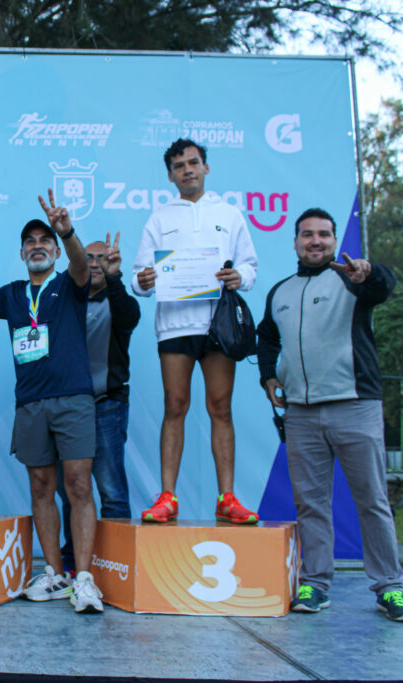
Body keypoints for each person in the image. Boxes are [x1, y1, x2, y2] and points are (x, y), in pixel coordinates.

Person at [256, 207, 403, 622]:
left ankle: (390, 588)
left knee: (372, 500)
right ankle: (315, 584)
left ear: (334, 241)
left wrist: (370, 272)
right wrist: (268, 376)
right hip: (301, 414)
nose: (315, 241)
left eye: (324, 234)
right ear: (295, 242)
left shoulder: (353, 280)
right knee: (310, 504)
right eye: (307, 234)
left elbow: (383, 285)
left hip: (355, 404)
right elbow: (267, 338)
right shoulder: (280, 292)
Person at [0, 190, 103, 614]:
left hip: (73, 399)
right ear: (21, 252)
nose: (37, 246)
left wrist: (67, 231)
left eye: (44, 240)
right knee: (40, 487)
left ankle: (84, 578)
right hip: (30, 403)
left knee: (79, 484)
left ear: (55, 249)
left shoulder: (69, 283)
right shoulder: (12, 294)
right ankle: (55, 574)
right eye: (30, 241)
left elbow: (82, 265)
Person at [130, 138, 259, 524]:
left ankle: (227, 498)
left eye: (193, 162)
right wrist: (144, 279)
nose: (187, 170)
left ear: (206, 167)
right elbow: (139, 279)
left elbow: (249, 266)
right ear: (170, 176)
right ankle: (168, 497)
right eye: (179, 166)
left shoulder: (229, 214)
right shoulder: (159, 218)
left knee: (220, 407)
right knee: (175, 406)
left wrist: (239, 277)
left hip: (218, 324)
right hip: (174, 325)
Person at [57, 232, 140, 571]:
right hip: (66, 409)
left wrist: (115, 277)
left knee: (112, 490)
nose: (93, 264)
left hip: (106, 406)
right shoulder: (63, 300)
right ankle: (73, 563)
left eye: (100, 258)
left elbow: (130, 318)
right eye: (87, 258)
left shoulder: (118, 301)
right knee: (71, 490)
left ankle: (118, 566)